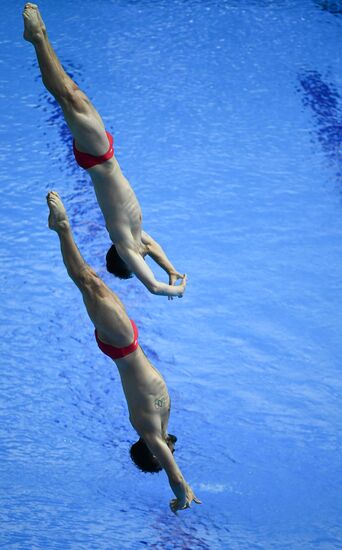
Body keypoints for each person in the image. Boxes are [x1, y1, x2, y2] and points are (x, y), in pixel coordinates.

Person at [46, 190, 201, 512]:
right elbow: (172, 467)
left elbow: (170, 470)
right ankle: (63, 229)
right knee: (90, 282)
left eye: (162, 456)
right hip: (125, 340)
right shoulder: (162, 425)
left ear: (153, 452)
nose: (171, 454)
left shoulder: (148, 429)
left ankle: (62, 228)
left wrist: (182, 491)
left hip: (120, 343)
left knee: (87, 281)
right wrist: (183, 484)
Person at [23, 3, 187, 298]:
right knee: (72, 94)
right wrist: (172, 269)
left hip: (97, 156)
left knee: (67, 95)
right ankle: (39, 36)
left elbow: (152, 287)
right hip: (103, 153)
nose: (145, 258)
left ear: (127, 261)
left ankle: (38, 36)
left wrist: (175, 289)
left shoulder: (124, 242)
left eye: (139, 263)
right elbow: (154, 249)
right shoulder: (139, 237)